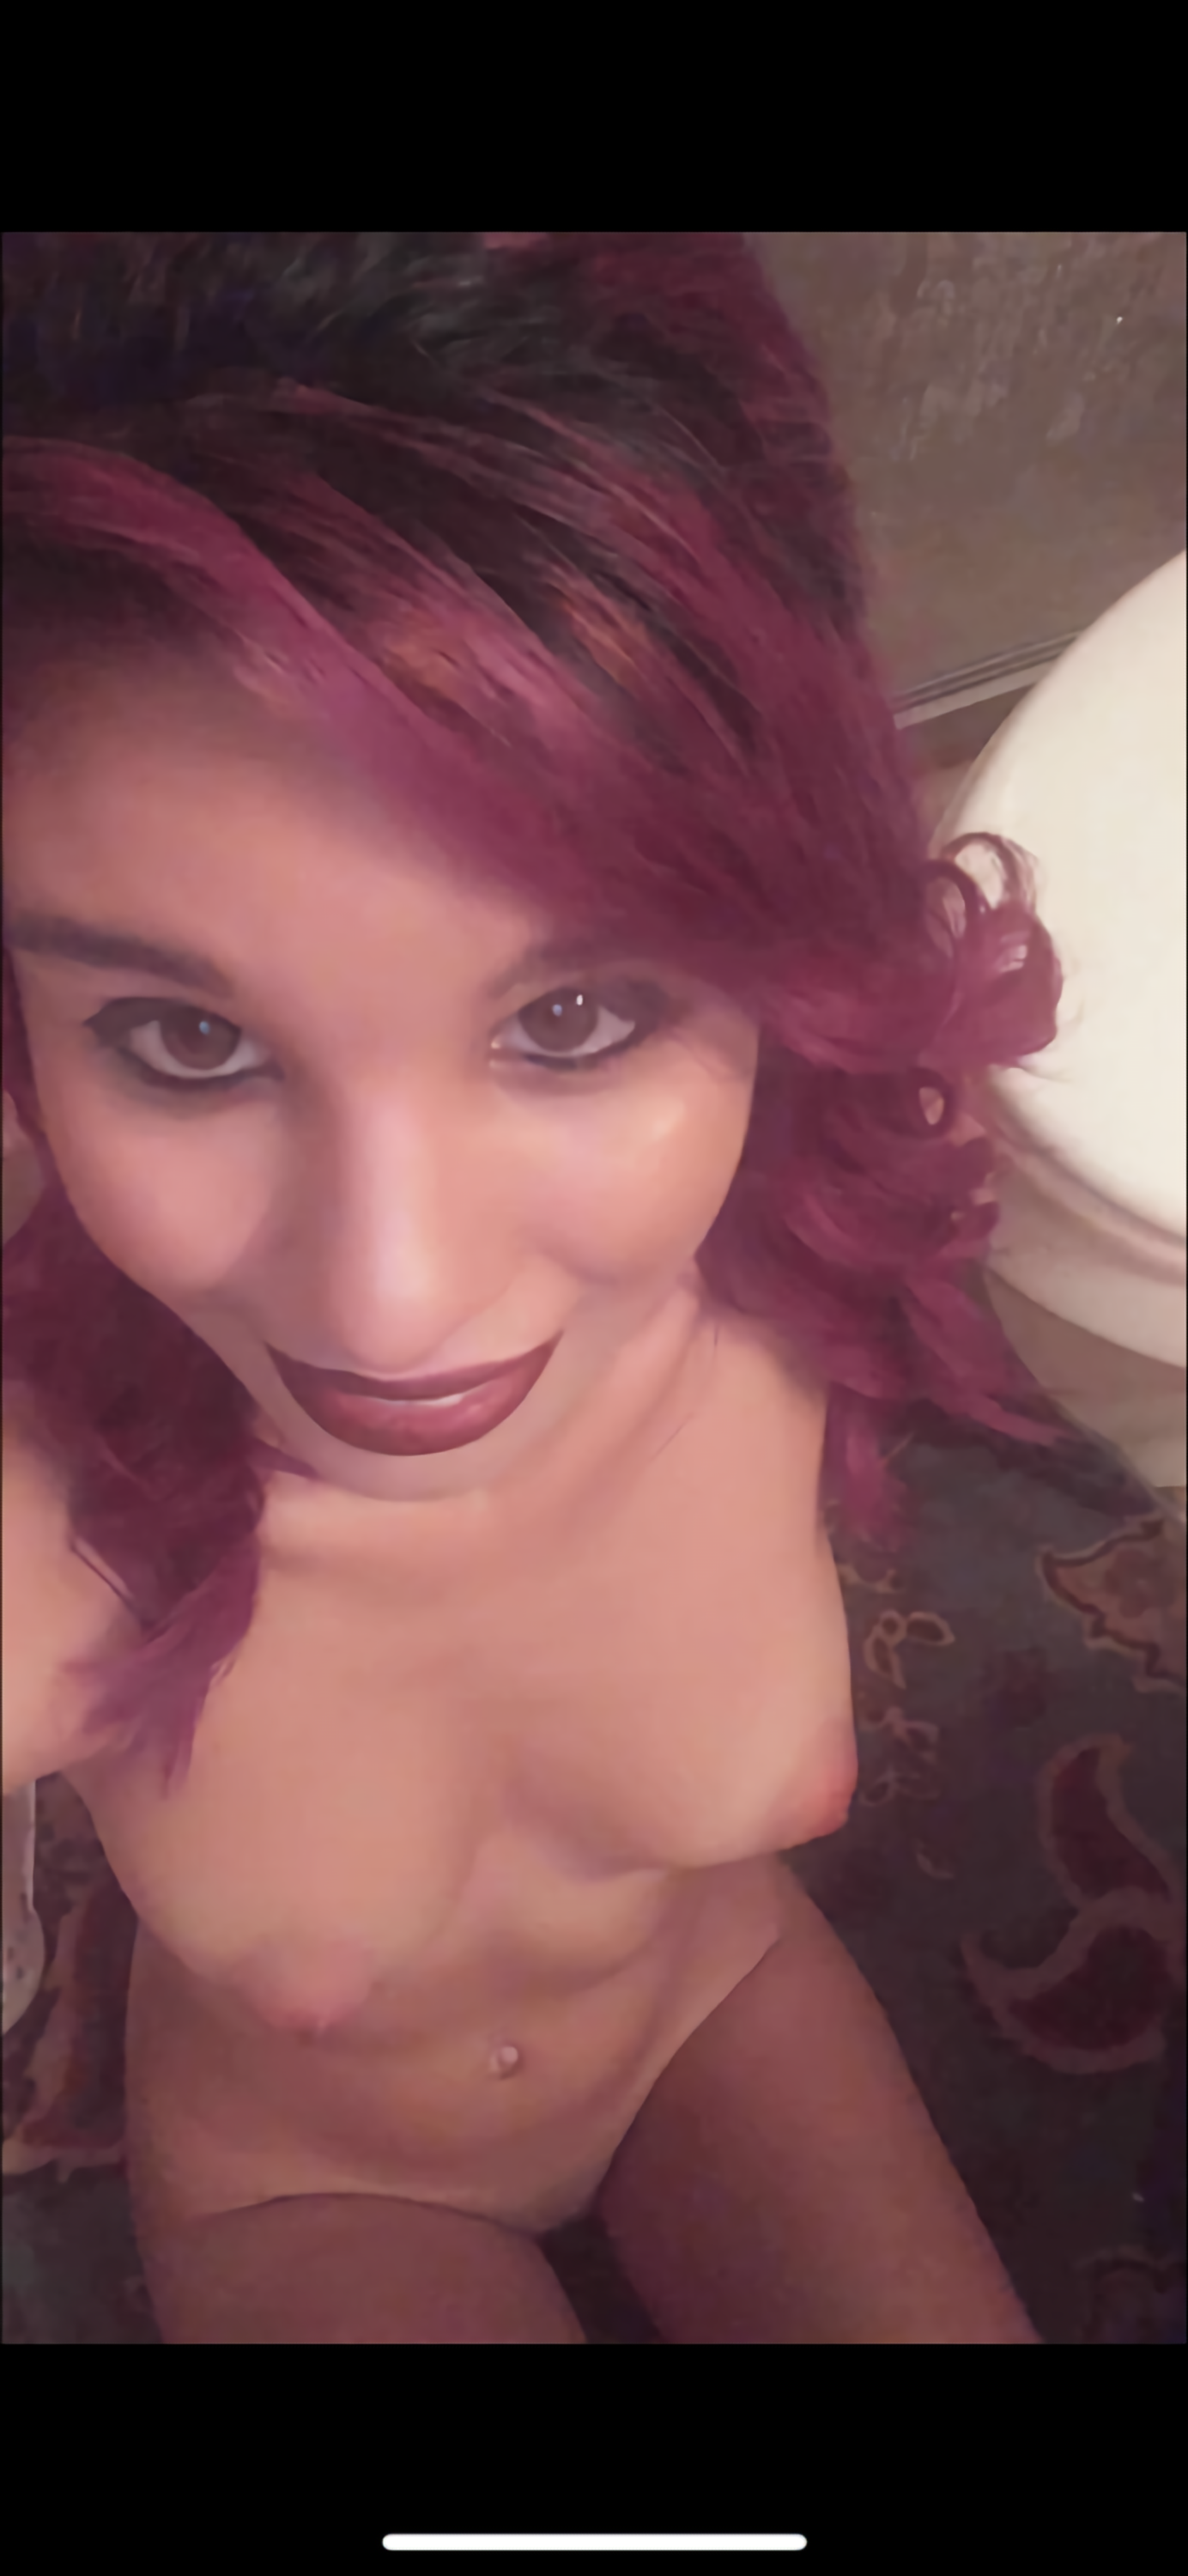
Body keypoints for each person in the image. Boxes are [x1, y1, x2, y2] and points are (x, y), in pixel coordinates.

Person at [1, 233, 1055, 2342]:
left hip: (723, 2022)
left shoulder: (799, 1239)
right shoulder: (42, 1551)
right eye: (184, 1041)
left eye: (571, 1018)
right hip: (312, 2187)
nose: (393, 1307)